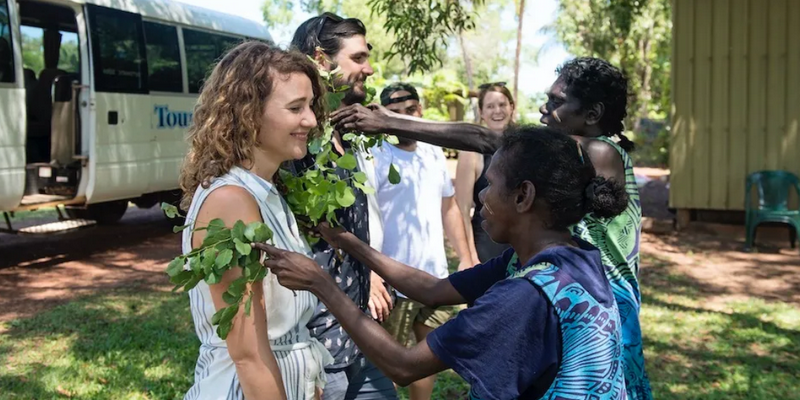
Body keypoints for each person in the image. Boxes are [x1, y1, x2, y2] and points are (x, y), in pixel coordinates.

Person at [331, 57, 652, 400]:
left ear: (592, 114)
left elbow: (489, 139)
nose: (545, 109)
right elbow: (434, 289)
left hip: (590, 314)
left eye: (557, 102)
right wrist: (346, 241)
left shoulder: (599, 151)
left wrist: (390, 121)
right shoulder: (531, 260)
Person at [255, 126, 630, 399]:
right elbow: (433, 290)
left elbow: (404, 366)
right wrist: (348, 242)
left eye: (491, 184)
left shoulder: (525, 295)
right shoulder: (568, 255)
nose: (480, 196)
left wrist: (322, 283)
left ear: (523, 196)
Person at [178, 42, 333, 400]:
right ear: (248, 113)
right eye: (296, 108)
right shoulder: (231, 201)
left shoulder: (265, 190)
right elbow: (248, 354)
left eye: (310, 106)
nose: (310, 119)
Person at [290, 13, 398, 400]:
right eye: (358, 58)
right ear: (321, 60)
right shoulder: (291, 146)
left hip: (361, 332)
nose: (369, 69)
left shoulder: (349, 137)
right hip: (318, 348)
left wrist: (371, 276)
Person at [372, 83, 474, 400]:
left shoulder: (433, 151)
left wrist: (467, 256)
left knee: (428, 360)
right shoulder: (375, 156)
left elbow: (449, 207)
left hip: (436, 279)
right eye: (395, 114)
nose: (404, 119)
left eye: (410, 111)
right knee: (386, 366)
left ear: (421, 110)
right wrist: (374, 274)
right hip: (393, 281)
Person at [456, 83, 514, 263]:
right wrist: (469, 257)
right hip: (487, 245)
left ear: (512, 107)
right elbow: (462, 209)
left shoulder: (523, 147)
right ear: (481, 112)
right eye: (490, 106)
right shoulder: (471, 152)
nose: (497, 111)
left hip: (522, 243)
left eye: (502, 105)